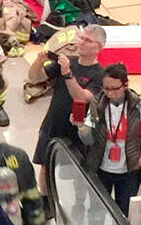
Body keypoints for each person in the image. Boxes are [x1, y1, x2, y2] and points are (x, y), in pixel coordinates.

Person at [29, 24, 106, 202]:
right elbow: (35, 77)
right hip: (53, 123)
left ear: (99, 47)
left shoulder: (100, 75)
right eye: (81, 38)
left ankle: (78, 205)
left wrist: (67, 74)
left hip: (78, 130)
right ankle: (46, 202)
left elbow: (82, 98)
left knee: (79, 172)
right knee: (45, 165)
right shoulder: (67, 61)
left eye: (88, 40)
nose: (82, 43)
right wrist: (39, 62)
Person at [77, 63, 141, 216]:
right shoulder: (97, 105)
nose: (110, 93)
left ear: (125, 85)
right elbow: (88, 141)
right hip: (101, 169)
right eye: (106, 88)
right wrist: (81, 127)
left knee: (124, 213)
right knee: (97, 211)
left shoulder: (138, 104)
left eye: (115, 88)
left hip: (129, 170)